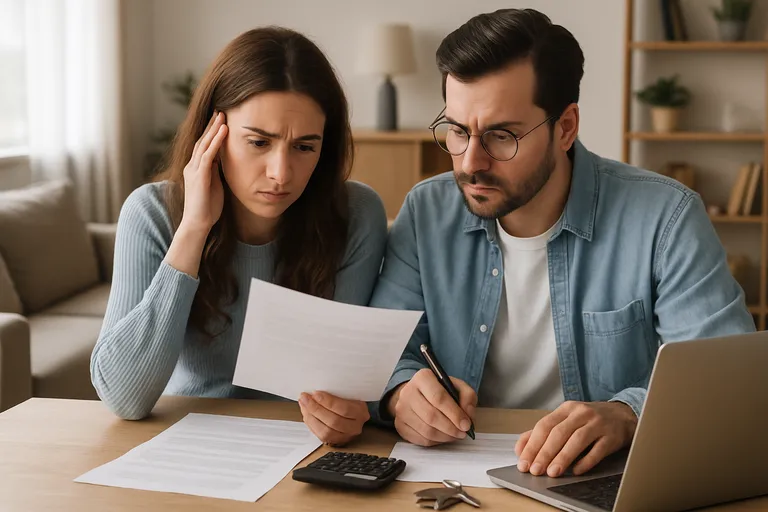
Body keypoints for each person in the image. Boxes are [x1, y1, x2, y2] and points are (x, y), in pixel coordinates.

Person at [370, 8, 754, 478]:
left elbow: (726, 383)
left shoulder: (666, 218)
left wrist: (629, 413)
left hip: (596, 480)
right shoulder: (426, 212)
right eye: (457, 131)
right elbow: (381, 352)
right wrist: (401, 393)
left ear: (566, 127)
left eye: (501, 136)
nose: (470, 162)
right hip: (452, 478)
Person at [91, 27, 387, 446]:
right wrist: (194, 228)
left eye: (305, 147)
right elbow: (124, 398)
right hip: (185, 444)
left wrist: (347, 412)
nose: (280, 174)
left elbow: (345, 383)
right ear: (213, 134)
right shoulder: (151, 214)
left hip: (301, 446)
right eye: (259, 142)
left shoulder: (356, 214)